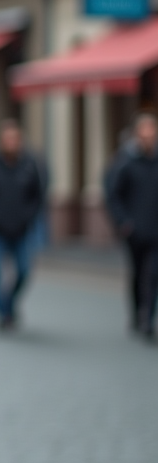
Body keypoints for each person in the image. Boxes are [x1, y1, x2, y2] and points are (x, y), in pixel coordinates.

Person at [0, 119, 48, 331]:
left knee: (23, 271)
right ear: (1, 142)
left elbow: (38, 196)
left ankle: (9, 303)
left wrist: (28, 216)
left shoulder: (30, 166)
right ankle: (3, 314)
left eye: (15, 139)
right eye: (8, 139)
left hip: (21, 230)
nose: (12, 143)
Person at [106, 112, 158, 337]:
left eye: (152, 132)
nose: (148, 137)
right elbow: (114, 195)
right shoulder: (126, 163)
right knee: (137, 274)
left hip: (156, 231)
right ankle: (137, 313)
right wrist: (124, 222)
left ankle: (148, 318)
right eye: (144, 132)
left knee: (153, 274)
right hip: (135, 231)